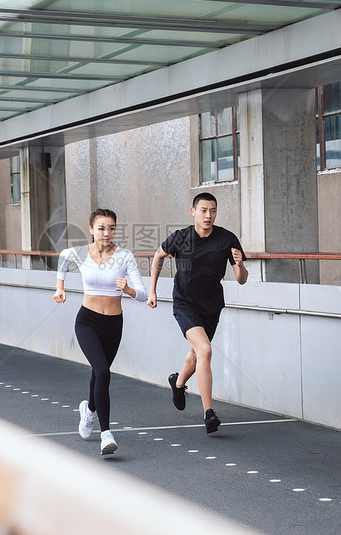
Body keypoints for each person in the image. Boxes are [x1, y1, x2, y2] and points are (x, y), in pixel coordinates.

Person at [147, 193, 248, 433]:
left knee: (195, 354)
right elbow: (158, 256)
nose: (208, 215)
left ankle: (178, 382)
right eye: (203, 210)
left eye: (212, 210)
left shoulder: (227, 239)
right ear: (193, 211)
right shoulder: (181, 238)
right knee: (205, 349)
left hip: (212, 306)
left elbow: (242, 280)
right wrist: (152, 291)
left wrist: (241, 264)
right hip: (185, 303)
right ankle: (208, 412)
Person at [53, 209, 147, 455]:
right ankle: (106, 433)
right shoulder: (80, 253)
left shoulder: (124, 256)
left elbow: (143, 295)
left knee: (99, 373)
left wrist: (128, 289)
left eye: (112, 228)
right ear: (92, 229)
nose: (107, 233)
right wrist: (59, 288)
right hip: (87, 322)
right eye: (102, 228)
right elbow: (62, 259)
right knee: (103, 371)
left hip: (113, 324)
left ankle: (89, 411)